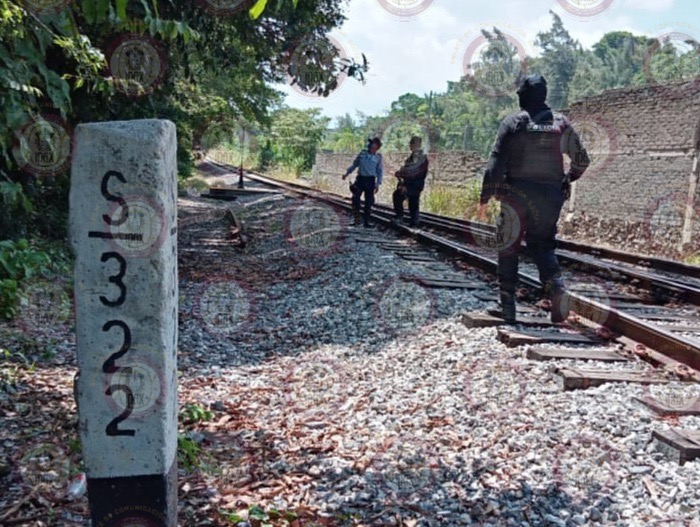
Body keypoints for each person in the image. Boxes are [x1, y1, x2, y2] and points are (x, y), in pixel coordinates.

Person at [478, 74, 590, 324]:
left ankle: (506, 306)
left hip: (517, 195)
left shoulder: (514, 123)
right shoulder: (561, 124)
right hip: (550, 197)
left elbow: (495, 164)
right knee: (543, 246)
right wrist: (565, 180)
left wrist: (487, 196)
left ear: (524, 96)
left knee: (508, 246)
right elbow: (582, 161)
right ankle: (557, 290)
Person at [343, 137, 383, 228]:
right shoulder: (362, 154)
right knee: (355, 198)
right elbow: (355, 164)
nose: (372, 148)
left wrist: (378, 184)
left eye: (374, 146)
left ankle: (366, 222)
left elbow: (380, 171)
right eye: (371, 145)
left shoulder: (378, 157)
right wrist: (347, 173)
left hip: (370, 180)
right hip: (360, 179)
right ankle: (357, 219)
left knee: (368, 202)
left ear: (377, 148)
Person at [392, 136, 429, 227]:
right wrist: (400, 174)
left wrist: (402, 174)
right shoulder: (411, 159)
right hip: (411, 184)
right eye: (412, 144)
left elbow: (414, 173)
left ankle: (401, 218)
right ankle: (414, 221)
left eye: (414, 144)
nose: (412, 146)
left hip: (415, 184)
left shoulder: (421, 159)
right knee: (413, 202)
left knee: (399, 197)